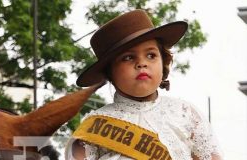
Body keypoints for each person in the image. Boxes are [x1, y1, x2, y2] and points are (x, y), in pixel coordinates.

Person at [65, 9, 222, 160]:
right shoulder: (94, 126)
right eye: (128, 58)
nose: (142, 63)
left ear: (164, 62)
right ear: (109, 72)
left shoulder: (186, 114)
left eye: (151, 55)